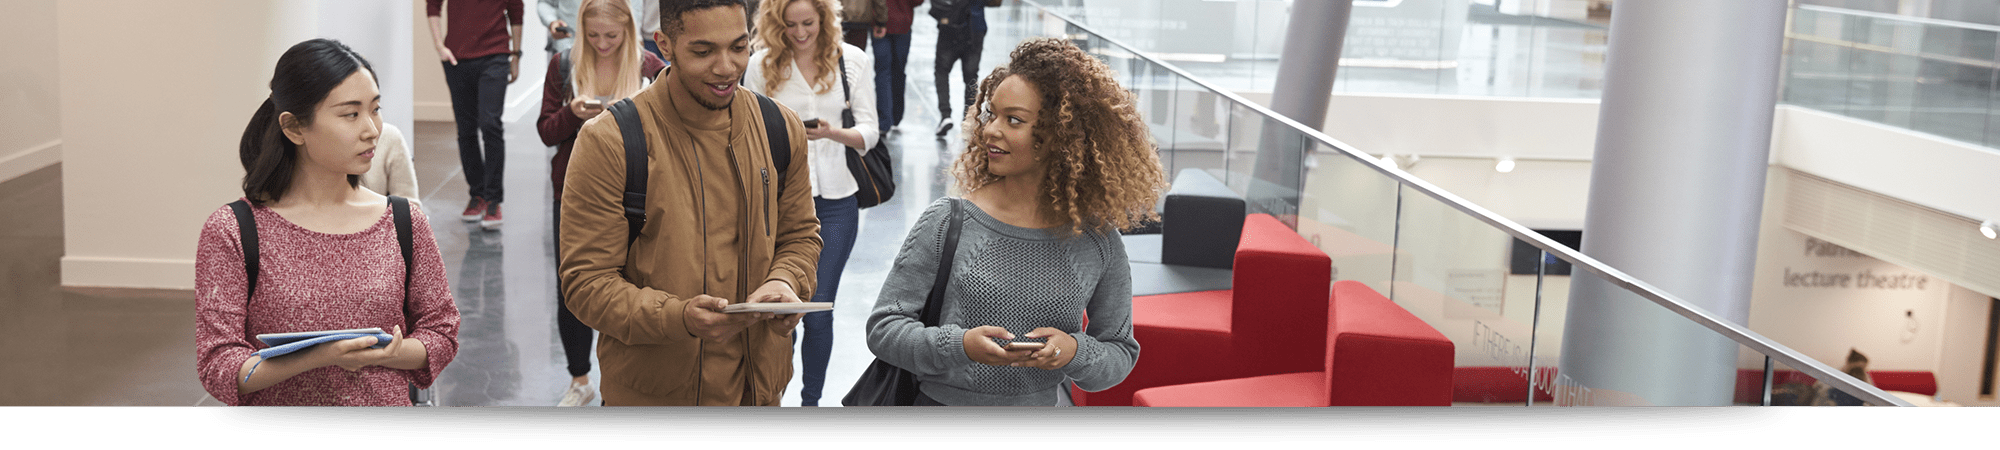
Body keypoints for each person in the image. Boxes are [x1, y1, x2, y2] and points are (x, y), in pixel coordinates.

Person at [865, 37, 1164, 406]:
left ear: (1061, 136)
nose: (990, 130)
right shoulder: (947, 221)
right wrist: (959, 345)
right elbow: (884, 329)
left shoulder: (1097, 240)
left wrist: (1072, 351)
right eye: (992, 114)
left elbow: (1119, 353)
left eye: (1014, 120)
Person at [559, 0, 822, 407]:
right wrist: (676, 317)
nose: (726, 67)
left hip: (758, 389)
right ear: (664, 44)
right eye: (703, 52)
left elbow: (800, 235)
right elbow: (586, 282)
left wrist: (785, 281)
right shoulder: (610, 141)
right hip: (651, 396)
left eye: (738, 47)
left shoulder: (780, 129)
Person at [196, 39, 461, 406]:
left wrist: (387, 354)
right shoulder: (233, 230)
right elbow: (218, 364)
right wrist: (320, 356)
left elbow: (442, 333)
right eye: (351, 114)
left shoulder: (402, 220)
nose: (372, 129)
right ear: (293, 128)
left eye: (375, 109)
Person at [744, 0, 879, 407]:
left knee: (816, 308)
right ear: (775, 24)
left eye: (808, 23)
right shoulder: (761, 64)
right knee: (778, 311)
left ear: (824, 18)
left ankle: (811, 401)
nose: (800, 33)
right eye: (790, 25)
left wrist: (831, 133)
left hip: (837, 202)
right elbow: (745, 132)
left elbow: (871, 132)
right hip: (777, 203)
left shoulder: (850, 61)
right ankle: (773, 397)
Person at [537, 0, 669, 407]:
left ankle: (631, 377)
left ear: (628, 29)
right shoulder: (563, 65)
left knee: (636, 283)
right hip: (574, 189)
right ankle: (580, 379)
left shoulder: (651, 68)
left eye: (611, 36)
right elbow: (546, 131)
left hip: (638, 190)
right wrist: (574, 113)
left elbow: (670, 133)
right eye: (593, 36)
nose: (602, 44)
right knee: (573, 287)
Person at [427, 0, 524, 232]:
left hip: (495, 55)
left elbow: (516, 12)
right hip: (457, 59)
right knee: (466, 129)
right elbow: (433, 6)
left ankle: (493, 200)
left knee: (490, 124)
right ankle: (477, 194)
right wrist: (439, 45)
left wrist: (516, 55)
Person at [929, 0, 985, 137]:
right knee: (971, 76)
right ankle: (968, 119)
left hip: (950, 27)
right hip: (974, 28)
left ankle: (945, 115)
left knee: (942, 71)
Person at [871, 0, 920, 134]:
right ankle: (896, 116)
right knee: (898, 70)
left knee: (882, 72)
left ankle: (884, 120)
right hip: (903, 22)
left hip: (879, 22)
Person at [359, 122, 418, 200]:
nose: (374, 132)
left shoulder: (389, 136)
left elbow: (409, 203)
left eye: (376, 110)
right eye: (352, 114)